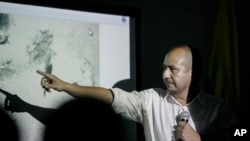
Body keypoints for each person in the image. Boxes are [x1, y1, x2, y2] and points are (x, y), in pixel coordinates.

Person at [37, 44, 237, 141]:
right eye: (163, 68)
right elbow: (111, 97)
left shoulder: (218, 109)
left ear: (193, 73)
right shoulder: (151, 100)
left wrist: (199, 140)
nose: (165, 75)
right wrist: (65, 86)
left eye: (172, 69)